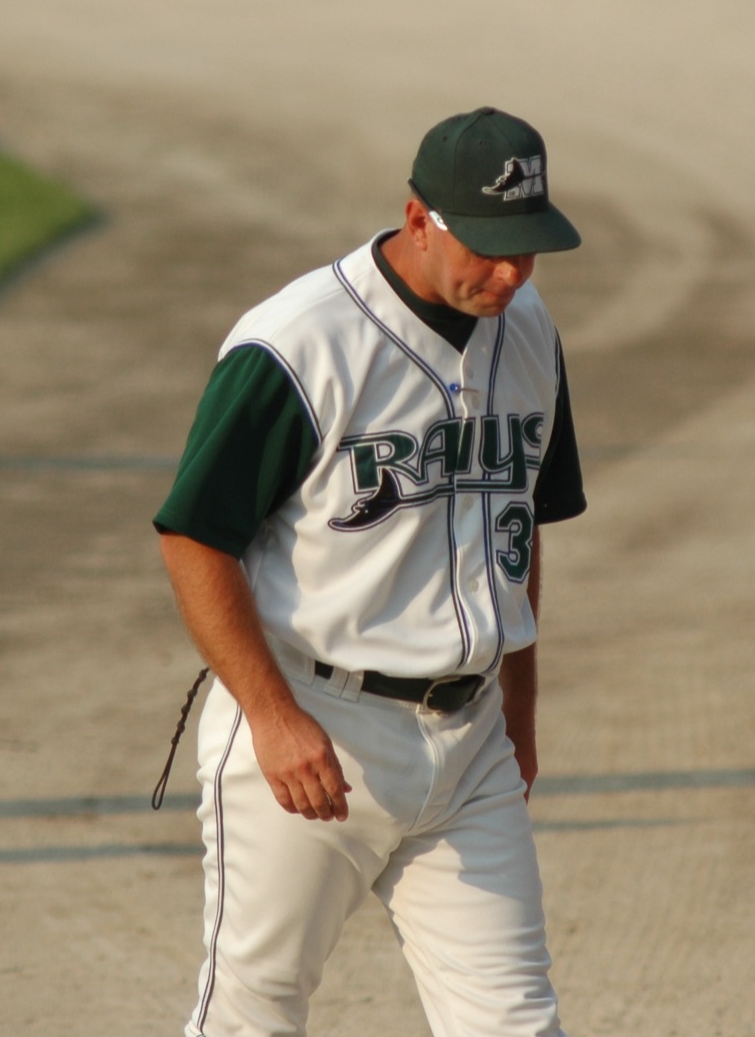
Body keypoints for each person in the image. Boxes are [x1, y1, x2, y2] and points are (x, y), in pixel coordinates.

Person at [153, 107, 587, 1037]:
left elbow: (515, 525)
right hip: (317, 731)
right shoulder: (299, 341)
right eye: (490, 246)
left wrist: (519, 707)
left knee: (516, 1023)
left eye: (529, 250)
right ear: (418, 216)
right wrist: (271, 718)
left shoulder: (529, 329)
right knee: (254, 1015)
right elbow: (195, 537)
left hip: (471, 746)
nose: (510, 273)